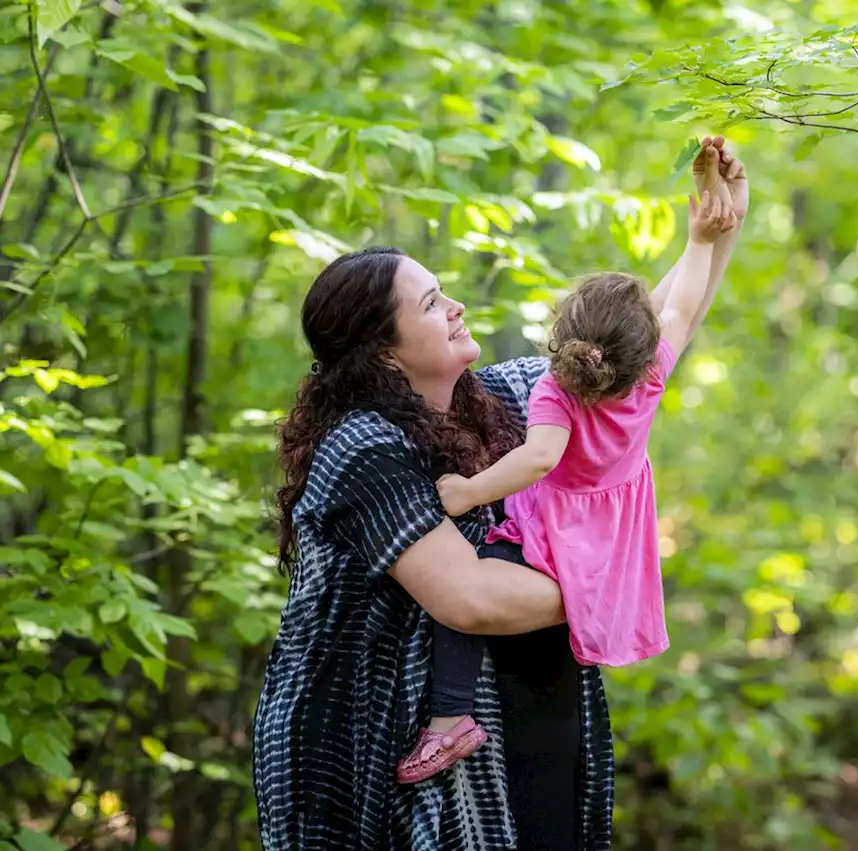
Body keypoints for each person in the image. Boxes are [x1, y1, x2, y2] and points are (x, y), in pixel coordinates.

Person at [251, 135, 747, 851]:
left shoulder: (512, 397)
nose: (454, 305)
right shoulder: (362, 448)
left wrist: (717, 225)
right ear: (383, 349)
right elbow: (471, 597)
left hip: (530, 713)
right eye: (430, 302)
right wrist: (611, 583)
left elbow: (644, 339)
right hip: (370, 741)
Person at [398, 187, 740, 783]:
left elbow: (537, 460)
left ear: (564, 331)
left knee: (462, 595)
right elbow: (681, 307)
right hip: (615, 531)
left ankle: (450, 720)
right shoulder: (650, 372)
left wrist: (466, 491)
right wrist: (699, 239)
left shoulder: (553, 392)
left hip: (557, 531)